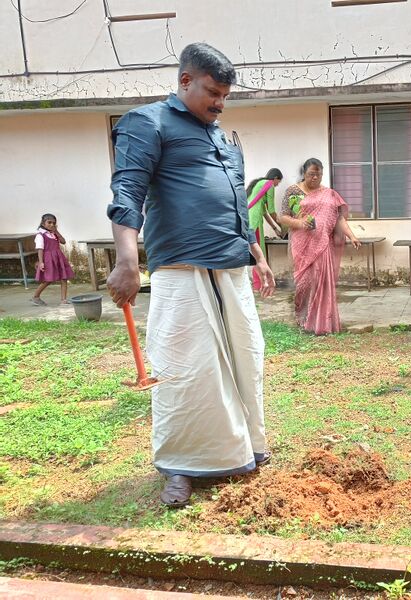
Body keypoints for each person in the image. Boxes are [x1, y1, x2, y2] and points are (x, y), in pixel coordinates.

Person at [106, 42, 276, 508]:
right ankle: (181, 465)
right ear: (184, 82)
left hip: (232, 268)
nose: (220, 103)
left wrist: (256, 254)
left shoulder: (223, 137)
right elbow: (128, 192)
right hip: (181, 270)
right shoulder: (148, 123)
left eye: (225, 95)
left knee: (246, 361)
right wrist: (126, 261)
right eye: (212, 92)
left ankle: (246, 447)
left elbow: (237, 205)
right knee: (186, 371)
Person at [277, 158, 361, 335]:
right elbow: (282, 217)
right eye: (311, 174)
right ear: (304, 174)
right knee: (304, 282)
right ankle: (301, 315)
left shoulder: (329, 194)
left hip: (322, 244)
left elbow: (338, 219)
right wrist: (299, 223)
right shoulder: (293, 191)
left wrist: (351, 235)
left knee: (321, 280)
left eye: (318, 174)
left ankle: (321, 321)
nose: (315, 178)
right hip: (301, 243)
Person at [247, 168, 284, 291]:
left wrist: (275, 229)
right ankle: (260, 285)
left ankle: (258, 284)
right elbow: (272, 211)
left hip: (249, 221)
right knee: (259, 253)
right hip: (255, 223)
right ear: (275, 178)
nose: (277, 185)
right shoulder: (269, 184)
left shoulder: (259, 186)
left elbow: (265, 212)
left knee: (256, 252)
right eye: (278, 182)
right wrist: (283, 227)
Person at [31, 213, 75, 306]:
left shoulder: (54, 234)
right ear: (43, 223)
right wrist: (41, 262)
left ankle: (63, 300)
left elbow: (63, 241)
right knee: (48, 279)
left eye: (54, 223)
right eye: (49, 222)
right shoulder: (40, 235)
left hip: (58, 257)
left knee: (64, 278)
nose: (52, 225)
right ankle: (36, 296)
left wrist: (57, 232)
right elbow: (40, 249)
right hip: (48, 259)